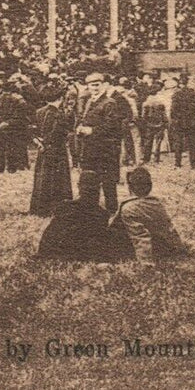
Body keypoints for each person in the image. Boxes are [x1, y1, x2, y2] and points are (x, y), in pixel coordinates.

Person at [36, 170, 134, 262]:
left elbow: (49, 237)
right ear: (99, 188)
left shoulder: (64, 207)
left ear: (79, 186)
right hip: (83, 254)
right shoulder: (102, 214)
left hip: (60, 251)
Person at [76, 72, 130, 212]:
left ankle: (112, 209)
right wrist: (81, 127)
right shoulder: (89, 101)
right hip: (90, 146)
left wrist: (92, 131)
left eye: (97, 85)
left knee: (108, 181)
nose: (94, 88)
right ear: (87, 86)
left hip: (105, 148)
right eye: (91, 85)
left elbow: (112, 126)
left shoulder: (109, 102)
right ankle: (90, 207)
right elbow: (85, 119)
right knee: (89, 178)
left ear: (103, 85)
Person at [114, 167, 190, 262]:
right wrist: (180, 249)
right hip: (164, 246)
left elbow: (140, 236)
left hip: (148, 250)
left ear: (130, 187)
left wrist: (146, 262)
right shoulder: (157, 204)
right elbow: (170, 229)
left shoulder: (128, 208)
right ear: (150, 186)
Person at [29, 85, 75, 216]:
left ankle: (39, 208)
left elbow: (32, 130)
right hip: (56, 149)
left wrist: (38, 142)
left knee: (42, 177)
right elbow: (56, 133)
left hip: (43, 149)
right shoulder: (58, 114)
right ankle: (55, 207)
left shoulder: (39, 111)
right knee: (57, 178)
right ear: (60, 98)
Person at [168, 75, 195, 169]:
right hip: (191, 122)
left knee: (178, 142)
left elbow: (173, 110)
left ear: (180, 83)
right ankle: (193, 163)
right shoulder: (194, 94)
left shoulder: (176, 94)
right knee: (192, 143)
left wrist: (175, 119)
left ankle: (178, 163)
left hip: (179, 122)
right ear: (187, 82)